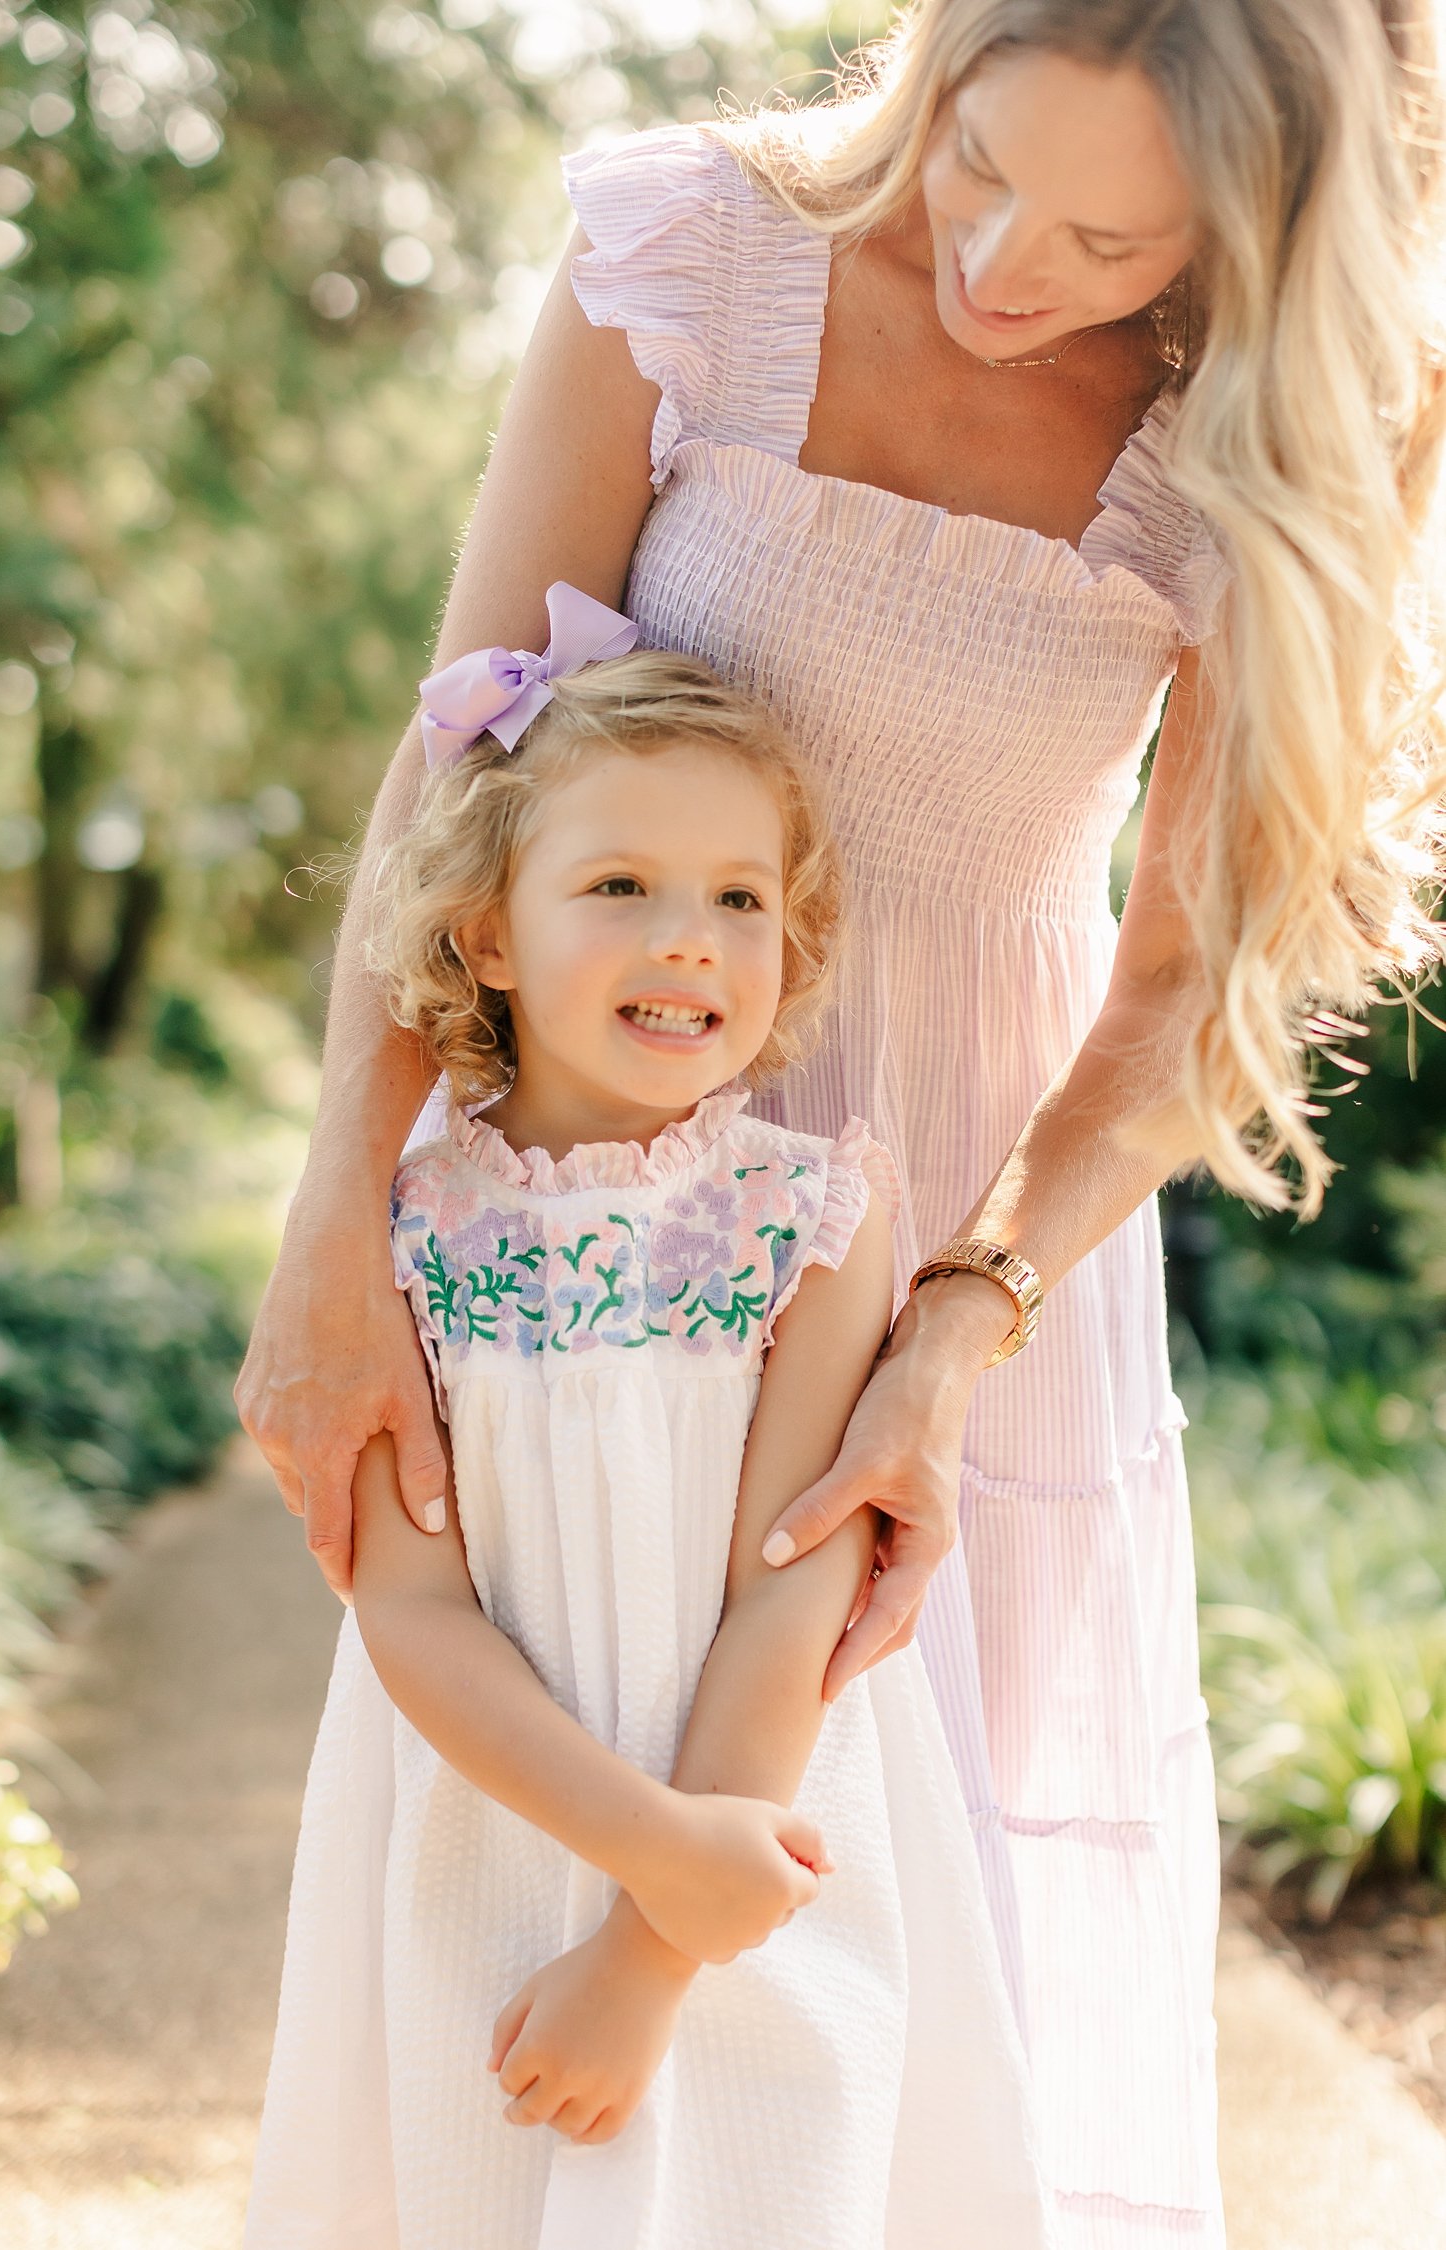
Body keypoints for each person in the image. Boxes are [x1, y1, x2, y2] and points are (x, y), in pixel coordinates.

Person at [236, 7, 1446, 2244]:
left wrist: (954, 1320)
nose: (998, 264)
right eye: (977, 166)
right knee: (544, 1844)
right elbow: (457, 780)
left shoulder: (1302, 424)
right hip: (592, 1230)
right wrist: (336, 1219)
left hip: (973, 1254)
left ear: (1261, 232)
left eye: (1108, 237)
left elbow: (1183, 987)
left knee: (908, 1937)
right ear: (937, 65)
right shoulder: (694, 248)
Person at [243, 604, 1054, 2250]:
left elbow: (791, 1584)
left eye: (739, 900)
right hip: (492, 1820)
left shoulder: (815, 1218)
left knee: (763, 2186)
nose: (691, 938)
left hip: (751, 1824)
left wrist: (653, 1941)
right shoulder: (405, 1237)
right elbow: (406, 1601)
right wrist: (640, 1852)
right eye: (621, 886)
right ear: (483, 932)